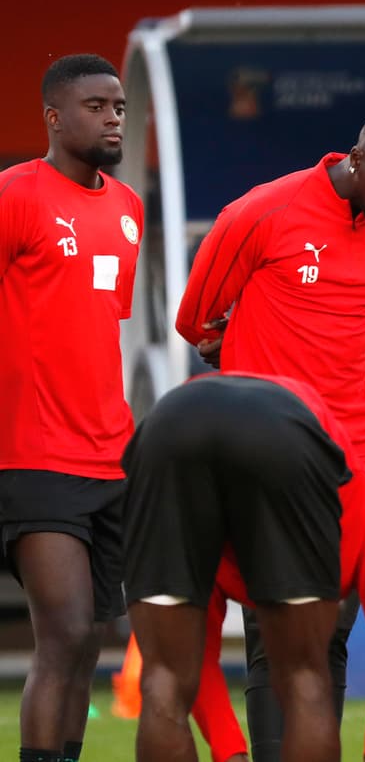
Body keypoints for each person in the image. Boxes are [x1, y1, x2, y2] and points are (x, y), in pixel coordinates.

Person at [174, 103, 365, 760]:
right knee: (274, 628)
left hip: (354, 452)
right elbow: (196, 319)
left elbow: (356, 323)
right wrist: (242, 352)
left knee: (330, 630)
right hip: (265, 451)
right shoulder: (262, 212)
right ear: (357, 159)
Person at [122, 372, 365, 762]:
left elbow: (196, 654)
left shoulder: (351, 513)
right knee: (305, 678)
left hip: (170, 422)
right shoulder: (364, 515)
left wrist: (231, 753)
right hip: (278, 428)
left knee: (165, 678)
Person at [0, 53, 141, 762]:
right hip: (34, 453)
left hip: (111, 455)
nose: (113, 118)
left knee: (90, 640)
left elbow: (97, 321)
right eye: (96, 106)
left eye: (118, 106)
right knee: (63, 631)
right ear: (54, 118)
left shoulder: (128, 207)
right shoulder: (14, 194)